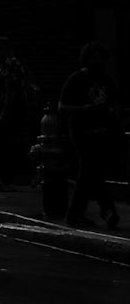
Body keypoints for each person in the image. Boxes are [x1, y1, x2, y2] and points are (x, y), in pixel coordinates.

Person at [58, 41, 122, 229]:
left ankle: (91, 212)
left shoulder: (106, 80)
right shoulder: (76, 79)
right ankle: (104, 210)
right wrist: (84, 109)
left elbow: (114, 102)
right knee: (88, 170)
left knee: (93, 173)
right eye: (93, 59)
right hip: (82, 133)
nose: (97, 63)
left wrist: (113, 118)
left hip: (102, 132)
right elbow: (62, 107)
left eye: (99, 58)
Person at [0, 37, 36, 187]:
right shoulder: (4, 66)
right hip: (5, 110)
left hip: (11, 112)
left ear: (4, 49)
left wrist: (4, 113)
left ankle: (6, 179)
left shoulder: (10, 65)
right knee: (5, 144)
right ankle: (6, 178)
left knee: (6, 145)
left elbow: (11, 91)